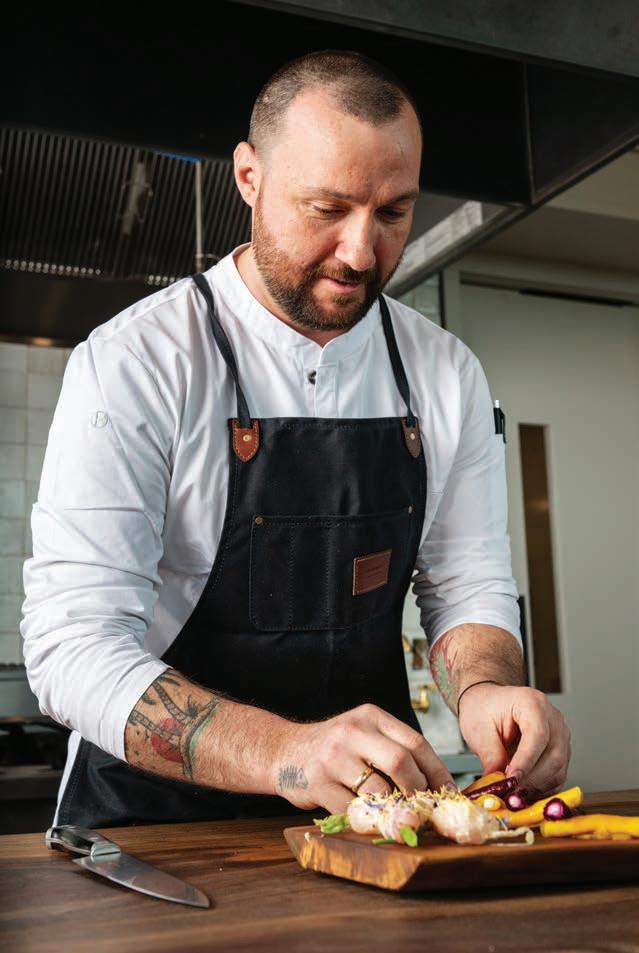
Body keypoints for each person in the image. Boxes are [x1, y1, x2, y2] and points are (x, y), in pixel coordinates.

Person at [21, 50, 570, 828]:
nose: (359, 252)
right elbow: (72, 647)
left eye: (392, 214)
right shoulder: (137, 362)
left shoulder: (443, 372)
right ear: (249, 177)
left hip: (371, 820)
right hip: (150, 827)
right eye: (326, 208)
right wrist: (290, 750)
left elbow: (466, 579)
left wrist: (485, 688)